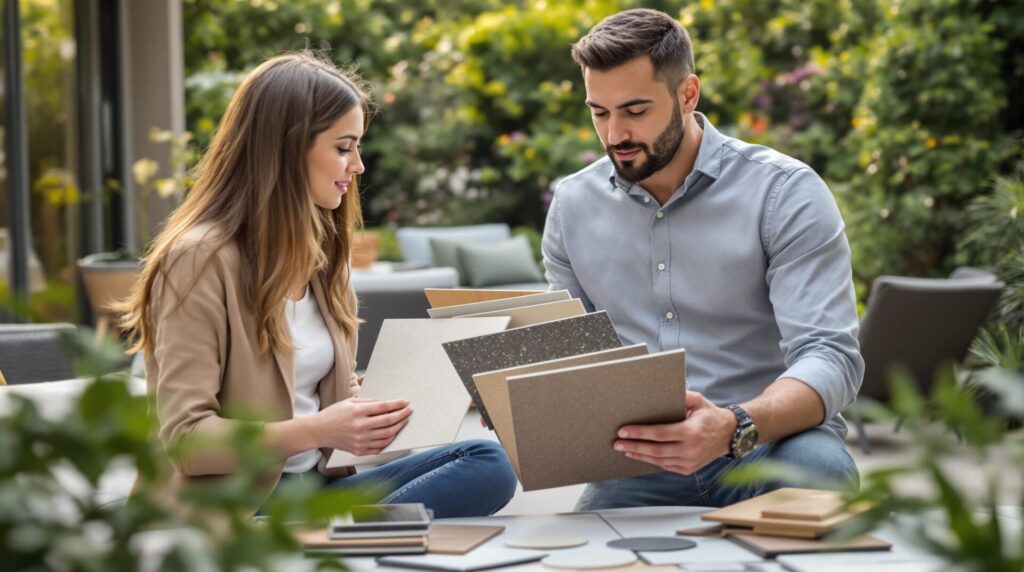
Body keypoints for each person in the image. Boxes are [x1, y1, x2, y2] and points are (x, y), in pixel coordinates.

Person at [119, 52, 517, 518]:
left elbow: (334, 400)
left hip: (315, 494)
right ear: (286, 149)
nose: (359, 166)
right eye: (344, 147)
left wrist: (440, 392)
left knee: (487, 463)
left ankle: (339, 538)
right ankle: (346, 537)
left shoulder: (324, 257)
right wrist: (318, 431)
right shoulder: (198, 259)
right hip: (230, 506)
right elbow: (186, 440)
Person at [542, 9, 863, 510]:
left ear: (687, 94)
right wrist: (520, 394)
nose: (615, 135)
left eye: (635, 110)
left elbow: (831, 356)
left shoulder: (784, 193)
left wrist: (734, 424)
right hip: (641, 455)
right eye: (599, 113)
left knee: (820, 476)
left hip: (768, 441)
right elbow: (577, 353)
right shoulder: (571, 207)